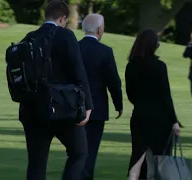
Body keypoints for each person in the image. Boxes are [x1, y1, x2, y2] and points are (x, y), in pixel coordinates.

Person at [18, 1, 93, 180]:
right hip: (62, 107)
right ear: (62, 18)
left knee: (37, 162)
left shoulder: (29, 38)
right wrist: (87, 105)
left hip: (32, 108)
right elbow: (78, 70)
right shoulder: (66, 36)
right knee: (79, 152)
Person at [125, 29, 181, 180]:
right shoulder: (159, 67)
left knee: (138, 157)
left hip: (139, 116)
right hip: (160, 120)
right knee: (159, 160)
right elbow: (165, 96)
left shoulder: (131, 66)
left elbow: (130, 94)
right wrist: (174, 120)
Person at [78, 13, 123, 180]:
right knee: (91, 151)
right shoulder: (105, 52)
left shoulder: (74, 48)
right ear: (99, 29)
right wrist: (118, 105)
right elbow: (113, 81)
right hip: (97, 109)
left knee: (76, 151)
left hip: (74, 107)